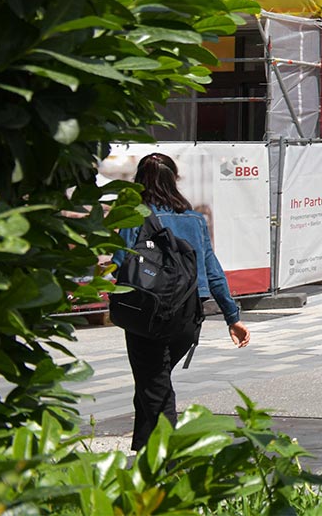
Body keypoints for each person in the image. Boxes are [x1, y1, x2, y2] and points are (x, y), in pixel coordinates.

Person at [115, 153, 252, 450]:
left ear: (139, 181)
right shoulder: (195, 220)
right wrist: (232, 317)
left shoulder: (136, 214)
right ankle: (145, 453)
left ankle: (169, 459)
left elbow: (120, 263)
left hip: (148, 314)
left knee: (156, 388)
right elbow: (212, 270)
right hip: (188, 318)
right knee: (153, 382)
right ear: (175, 180)